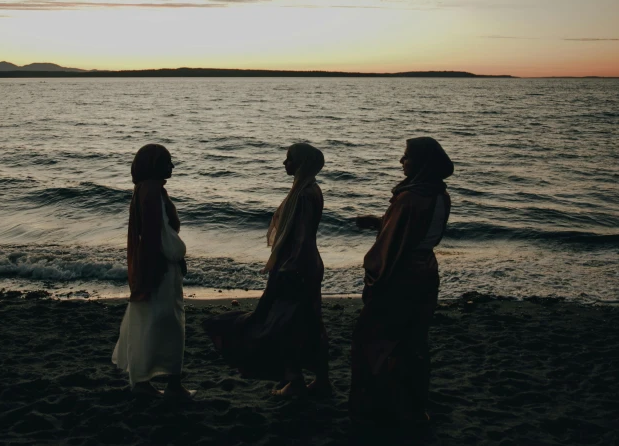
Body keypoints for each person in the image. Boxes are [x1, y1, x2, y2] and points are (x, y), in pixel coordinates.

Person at [203, 143, 331, 397]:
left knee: (283, 322)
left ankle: (295, 380)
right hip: (307, 264)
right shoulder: (309, 189)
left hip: (298, 266)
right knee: (305, 322)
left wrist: (288, 268)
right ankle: (317, 379)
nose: (285, 163)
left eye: (289, 159)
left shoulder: (304, 194)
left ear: (302, 163)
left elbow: (302, 237)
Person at [349, 137, 453, 423]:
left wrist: (374, 275)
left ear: (420, 162)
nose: (401, 161)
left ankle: (376, 406)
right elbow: (417, 233)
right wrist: (380, 222)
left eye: (406, 156)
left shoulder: (408, 198)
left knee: (374, 338)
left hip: (402, 275)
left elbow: (393, 246)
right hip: (427, 271)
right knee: (414, 341)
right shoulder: (440, 195)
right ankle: (414, 406)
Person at [112, 143, 195, 399]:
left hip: (162, 266)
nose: (171, 167)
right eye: (167, 161)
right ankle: (158, 383)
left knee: (158, 321)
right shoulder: (149, 191)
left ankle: (154, 381)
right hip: (159, 268)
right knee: (165, 322)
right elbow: (152, 236)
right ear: (153, 164)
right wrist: (155, 268)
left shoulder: (153, 190)